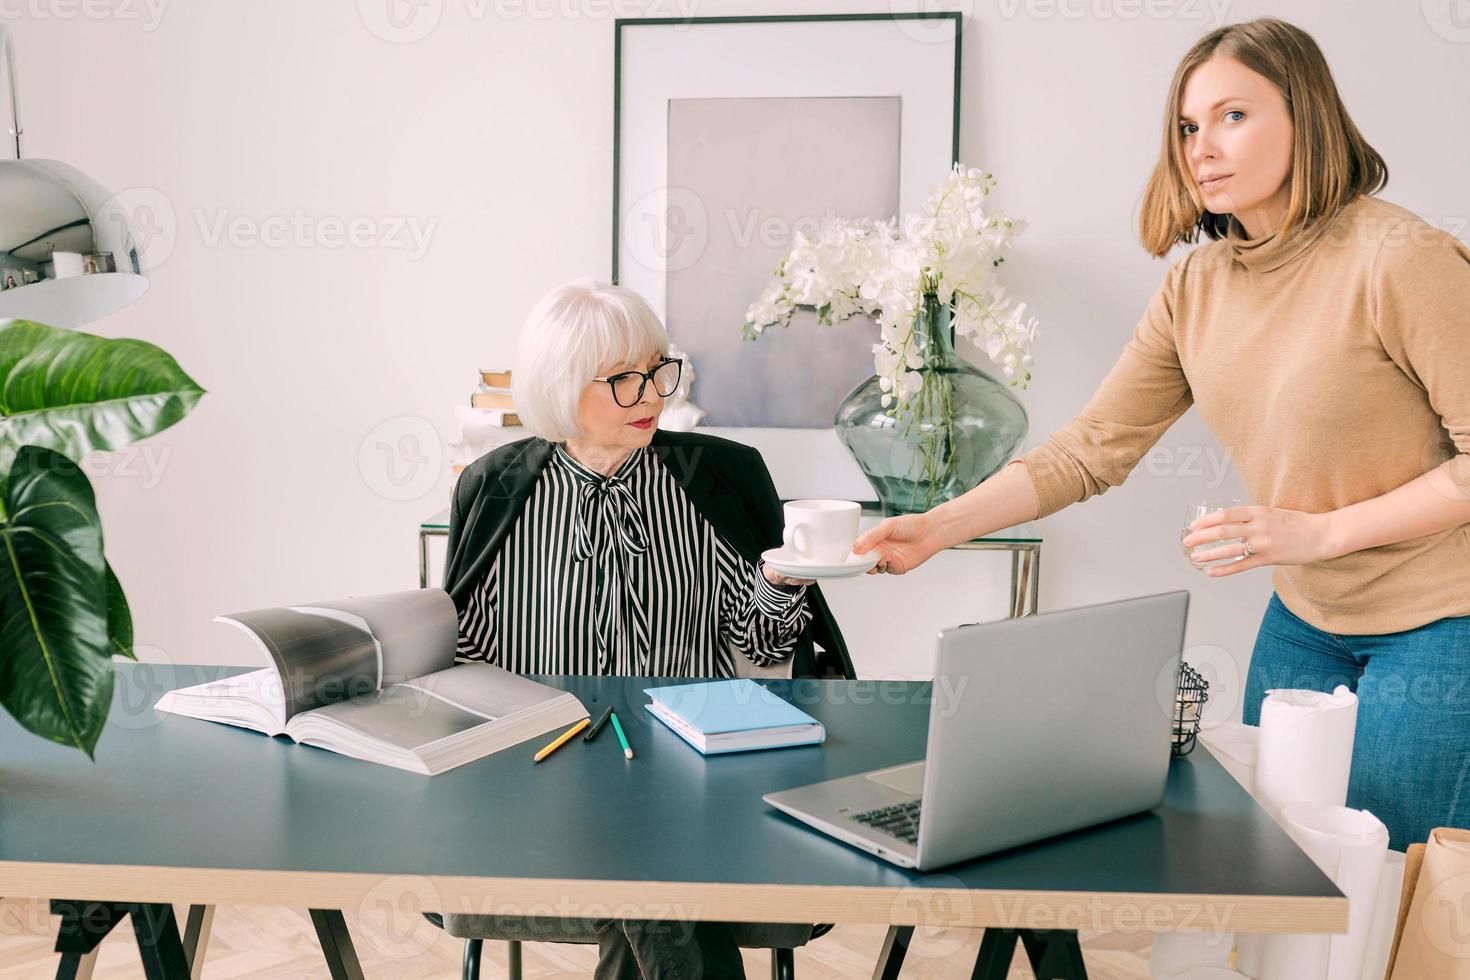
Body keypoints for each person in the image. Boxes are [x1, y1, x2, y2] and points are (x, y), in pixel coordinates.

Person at [854, 17, 1470, 853]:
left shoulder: (1400, 259)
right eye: (1187, 126)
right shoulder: (1198, 285)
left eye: (1232, 116)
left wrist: (1317, 532)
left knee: (1392, 880)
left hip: (1441, 621)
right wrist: (939, 526)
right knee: (1281, 870)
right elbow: (1093, 446)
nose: (1201, 147)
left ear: (1306, 114)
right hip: (1306, 618)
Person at [443, 278, 851, 979]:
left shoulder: (716, 477)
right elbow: (465, 660)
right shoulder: (494, 488)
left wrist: (785, 579)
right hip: (546, 770)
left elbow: (759, 646)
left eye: (660, 371)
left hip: (699, 764)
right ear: (561, 386)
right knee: (641, 842)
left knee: (643, 832)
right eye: (624, 381)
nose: (654, 397)